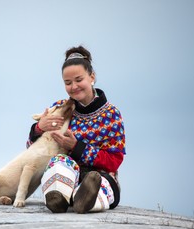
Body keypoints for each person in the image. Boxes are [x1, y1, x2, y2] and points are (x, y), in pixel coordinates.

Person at [26, 46, 126, 213]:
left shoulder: (111, 114)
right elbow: (32, 151)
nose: (74, 87)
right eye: (68, 83)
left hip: (100, 176)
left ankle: (84, 199)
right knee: (58, 163)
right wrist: (38, 128)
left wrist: (77, 147)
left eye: (79, 80)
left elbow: (115, 160)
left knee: (98, 181)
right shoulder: (59, 109)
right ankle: (58, 198)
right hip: (68, 174)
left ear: (92, 76)